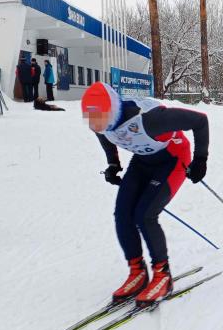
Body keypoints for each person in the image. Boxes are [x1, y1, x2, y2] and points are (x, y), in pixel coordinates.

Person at [82, 83, 210, 305]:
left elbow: (200, 121)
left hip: (172, 158)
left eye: (100, 118)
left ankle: (163, 275)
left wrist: (200, 159)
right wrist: (113, 163)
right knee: (123, 214)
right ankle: (138, 273)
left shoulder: (152, 120)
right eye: (92, 119)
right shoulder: (101, 123)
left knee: (144, 215)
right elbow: (104, 135)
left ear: (112, 109)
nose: (96, 125)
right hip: (143, 161)